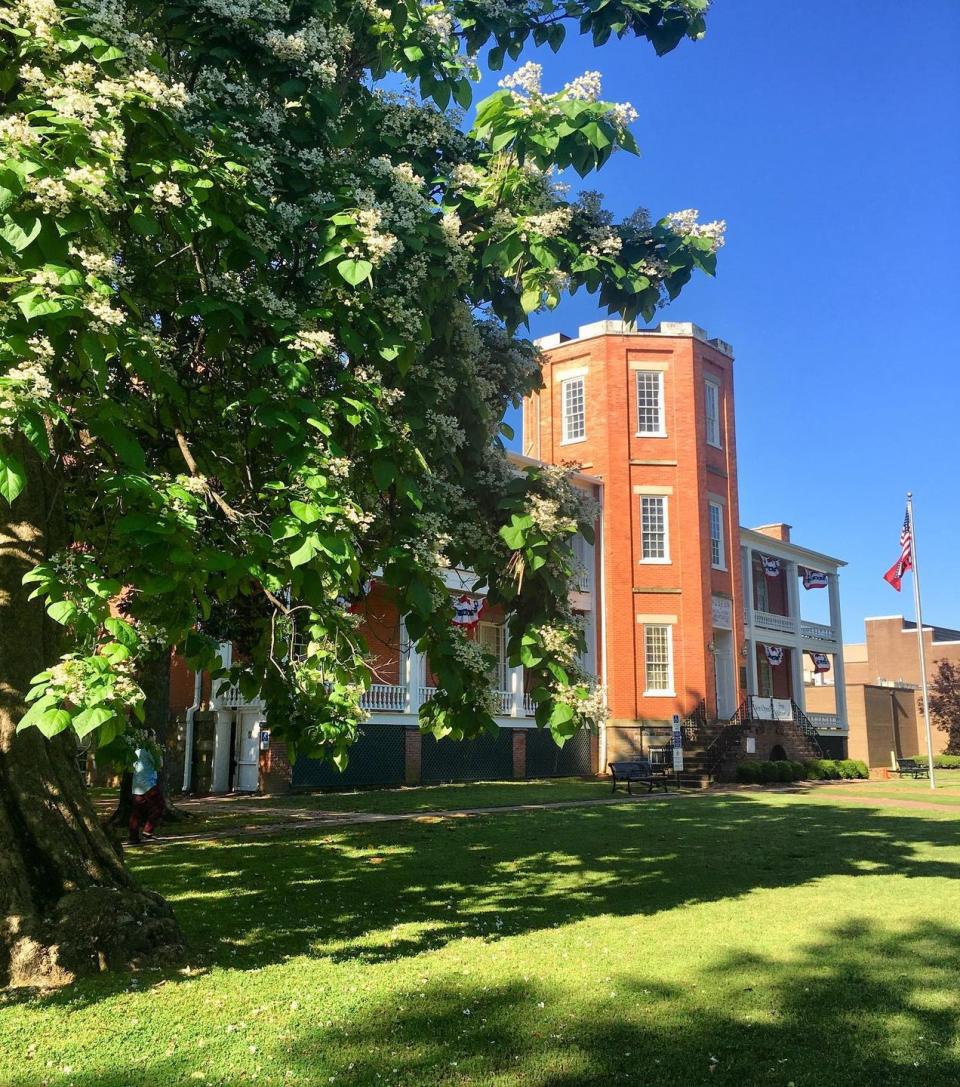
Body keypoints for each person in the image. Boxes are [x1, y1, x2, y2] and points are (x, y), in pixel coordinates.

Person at [128, 740, 164, 844]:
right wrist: (158, 753)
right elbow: (159, 764)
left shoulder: (134, 749)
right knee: (159, 806)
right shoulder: (149, 750)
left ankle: (133, 838)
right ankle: (148, 830)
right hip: (148, 784)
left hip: (137, 785)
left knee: (136, 813)